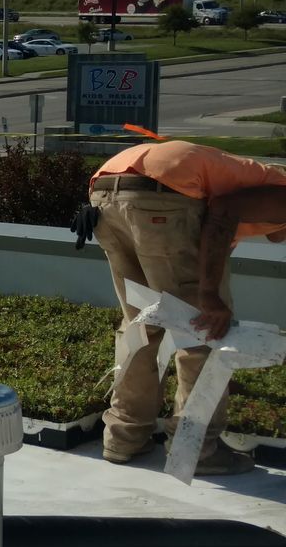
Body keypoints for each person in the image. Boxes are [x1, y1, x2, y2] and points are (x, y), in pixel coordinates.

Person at [88, 139, 286, 473]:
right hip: (163, 197)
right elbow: (223, 213)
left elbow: (218, 230)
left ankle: (124, 437)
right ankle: (195, 452)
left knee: (141, 325)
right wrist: (210, 295)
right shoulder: (280, 191)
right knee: (202, 329)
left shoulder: (249, 177)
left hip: (107, 191)